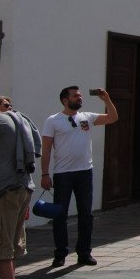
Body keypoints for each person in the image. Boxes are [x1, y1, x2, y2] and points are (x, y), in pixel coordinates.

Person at [40, 86, 118, 267]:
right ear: (65, 100)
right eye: (76, 96)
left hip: (85, 172)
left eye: (80, 95)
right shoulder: (53, 121)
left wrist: (106, 99)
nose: (80, 98)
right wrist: (45, 174)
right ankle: (60, 253)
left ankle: (84, 252)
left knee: (86, 214)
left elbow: (113, 118)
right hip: (62, 174)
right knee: (60, 215)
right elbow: (46, 150)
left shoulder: (87, 117)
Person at [0, 96, 40, 279]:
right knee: (9, 247)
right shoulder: (22, 119)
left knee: (1, 248)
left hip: (4, 192)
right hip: (22, 188)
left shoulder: (0, 123)